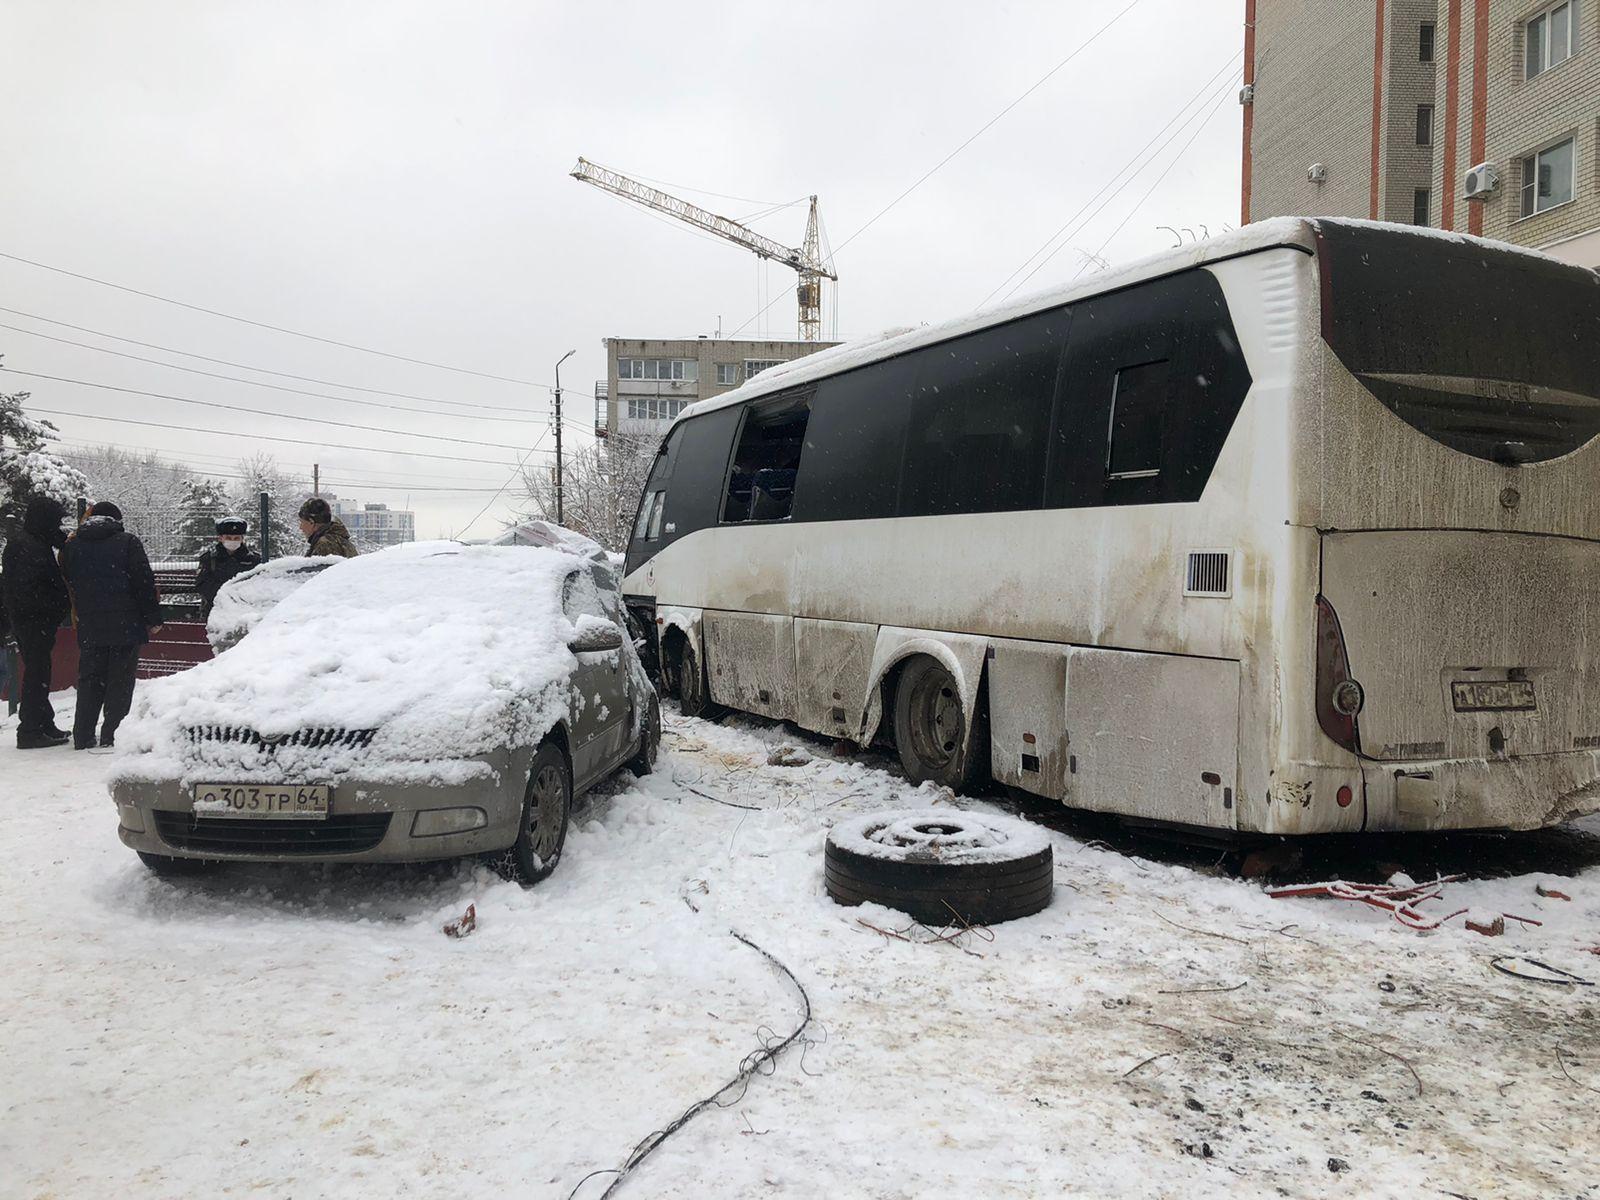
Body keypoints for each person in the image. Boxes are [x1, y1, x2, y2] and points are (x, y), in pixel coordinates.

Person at [59, 500, 162, 750]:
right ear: (117, 520)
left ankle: (83, 735)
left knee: (90, 679)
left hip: (90, 623)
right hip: (125, 624)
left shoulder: (73, 546)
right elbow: (143, 582)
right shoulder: (127, 542)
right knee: (120, 680)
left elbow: (69, 580)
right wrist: (153, 618)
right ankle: (112, 734)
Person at [0, 495, 73, 748]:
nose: (59, 527)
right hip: (33, 620)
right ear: (44, 520)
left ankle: (43, 723)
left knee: (39, 671)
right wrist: (53, 608)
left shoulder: (33, 543)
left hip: (35, 619)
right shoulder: (25, 546)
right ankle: (30, 729)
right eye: (56, 521)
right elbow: (26, 590)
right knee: (37, 673)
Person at [195, 516, 262, 620]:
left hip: (246, 611)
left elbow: (258, 583)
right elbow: (202, 584)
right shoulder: (209, 559)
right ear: (220, 538)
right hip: (216, 610)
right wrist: (225, 596)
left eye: (236, 538)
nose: (232, 541)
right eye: (228, 538)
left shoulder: (254, 560)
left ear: (242, 539)